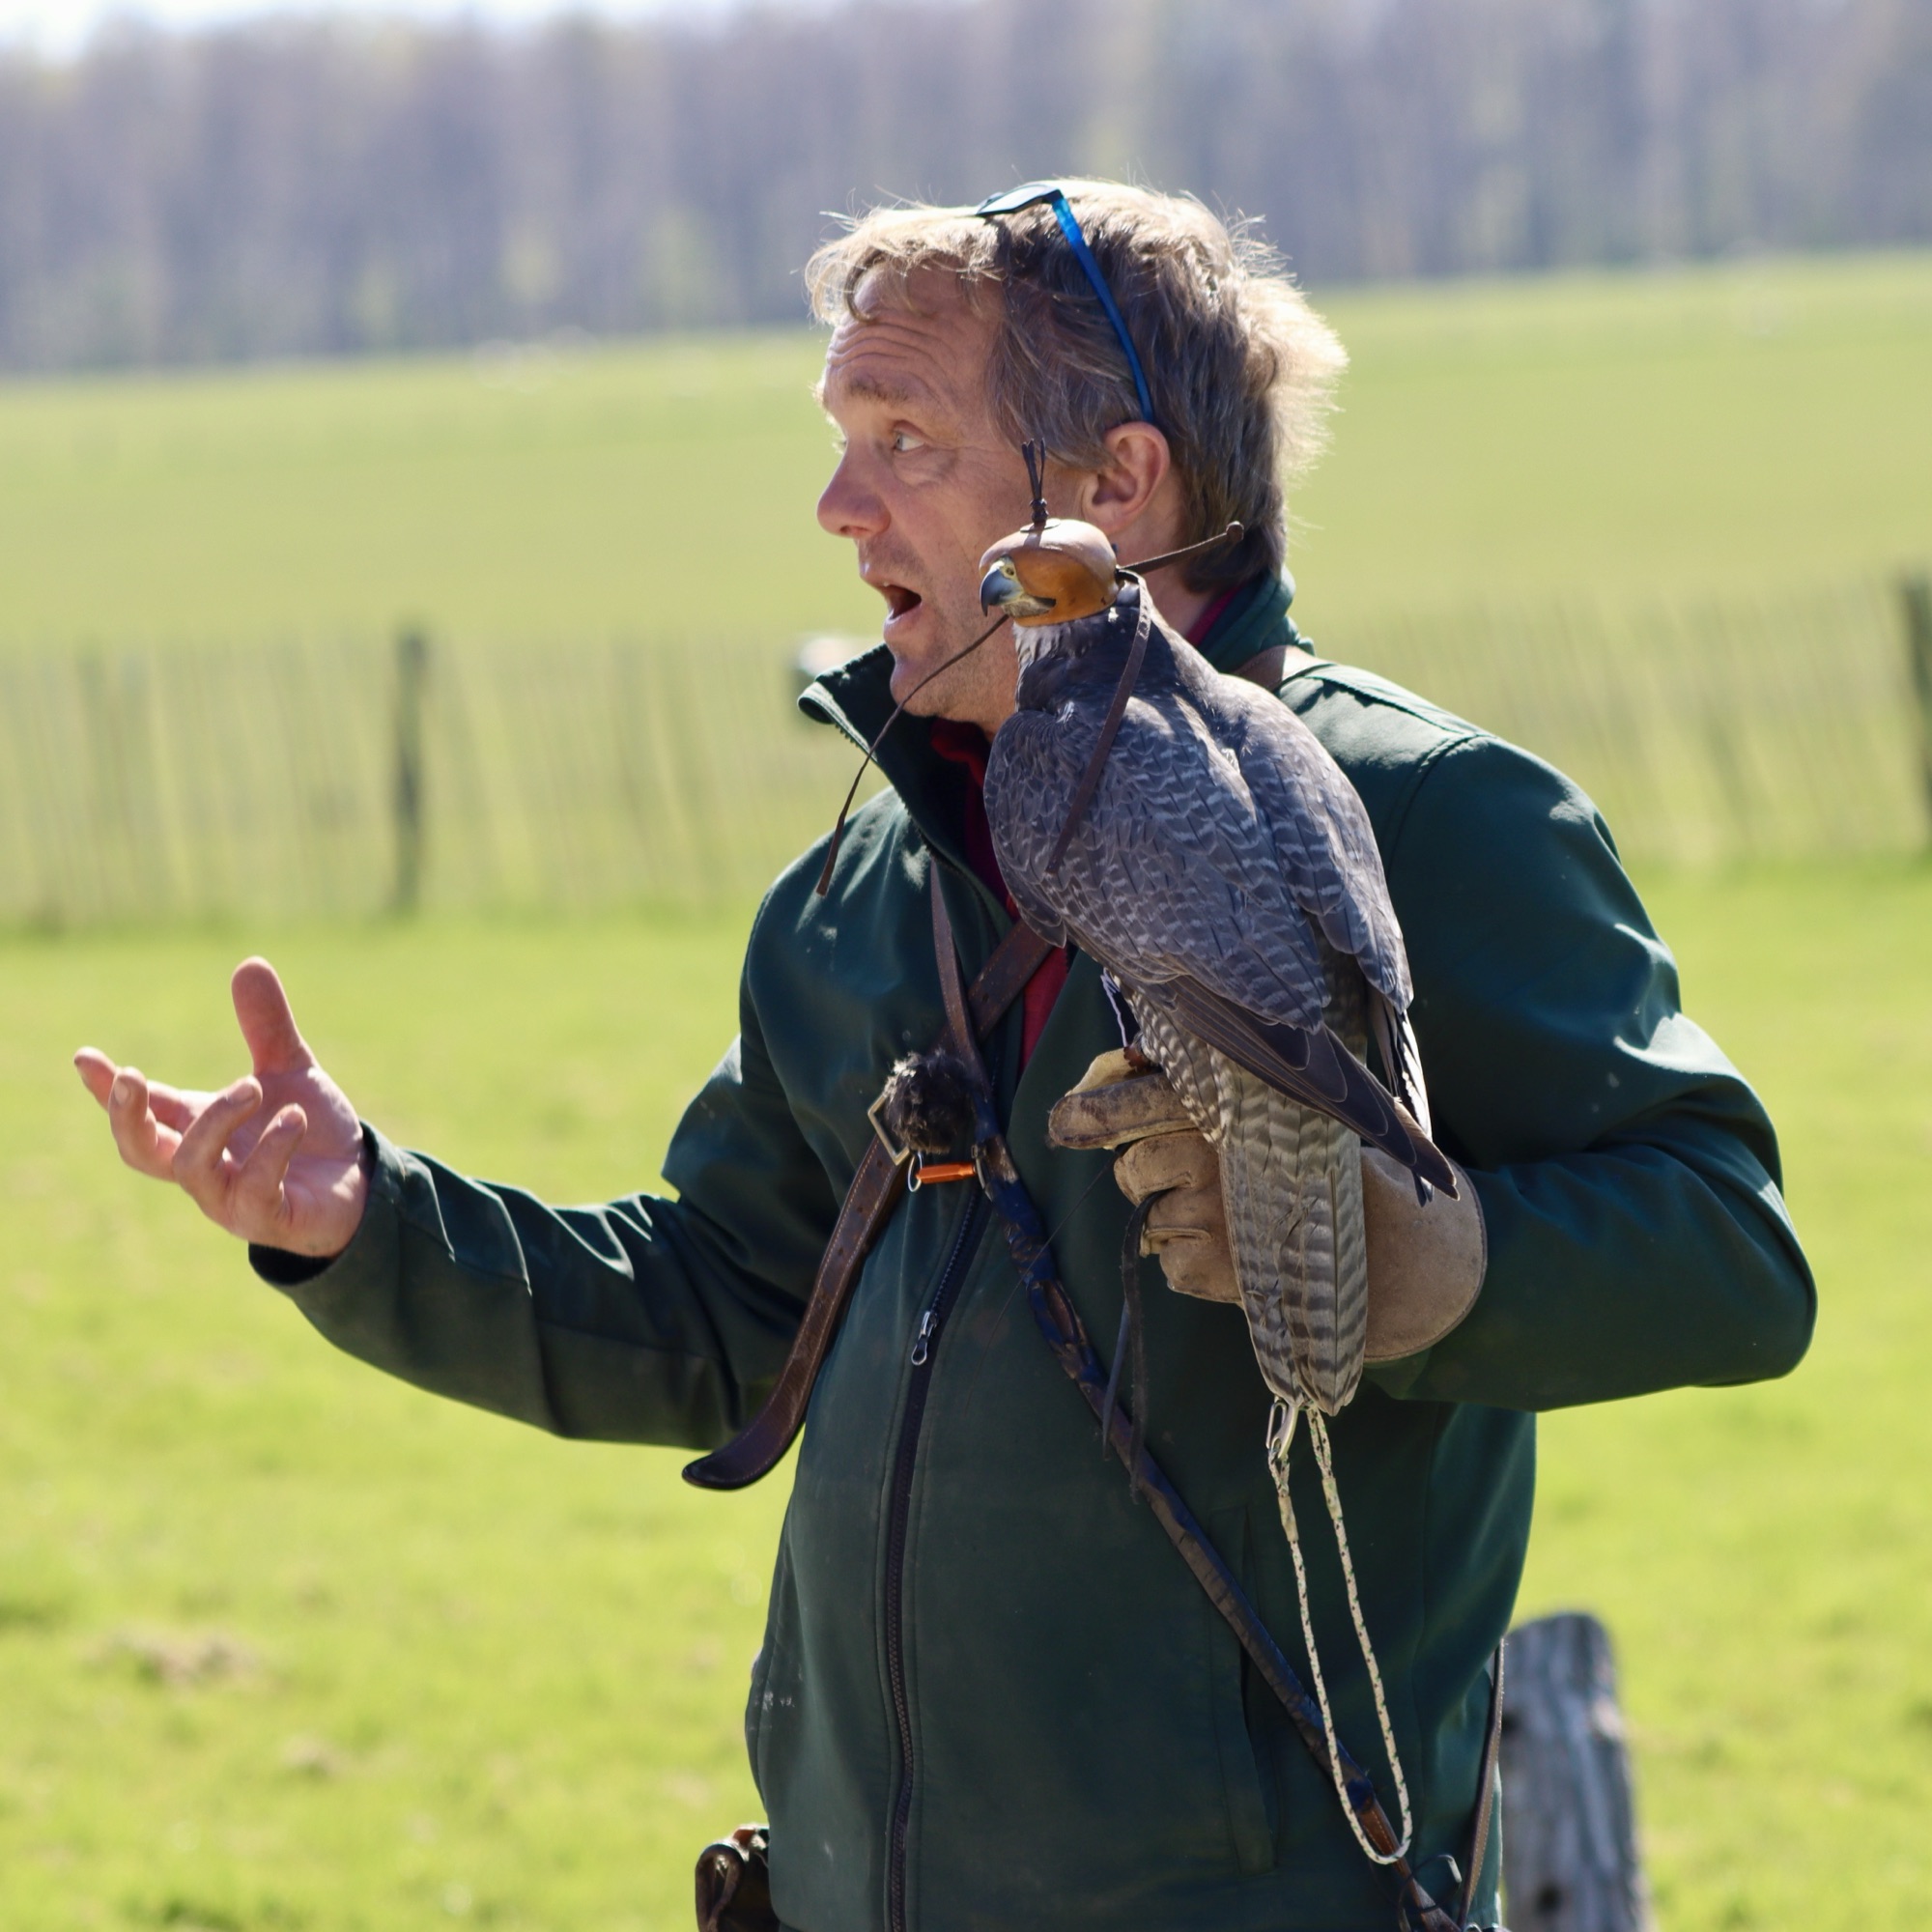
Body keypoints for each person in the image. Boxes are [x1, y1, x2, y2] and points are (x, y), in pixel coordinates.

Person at [74, 182, 1814, 1932]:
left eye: (904, 436)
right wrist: (364, 1221)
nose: (840, 508)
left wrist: (1435, 1269)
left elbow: (1733, 1257)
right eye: (842, 438)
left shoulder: (1417, 813)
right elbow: (728, 1311)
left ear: (1118, 488)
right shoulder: (861, 892)